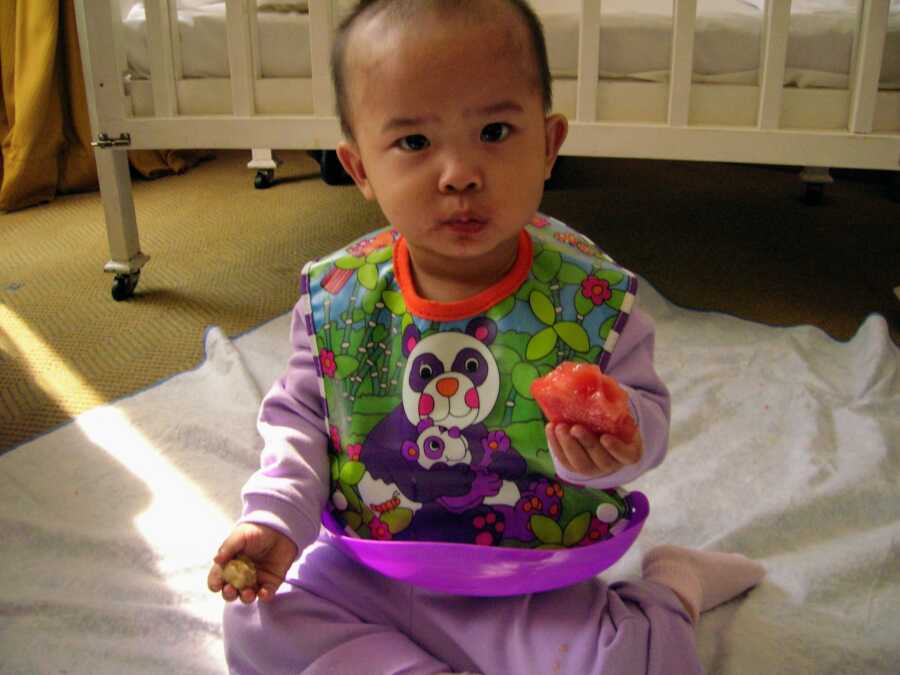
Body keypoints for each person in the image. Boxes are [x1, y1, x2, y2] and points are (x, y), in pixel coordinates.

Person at [208, 1, 765, 673]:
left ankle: (672, 588)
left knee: (638, 663)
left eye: (495, 130)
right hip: (372, 567)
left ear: (550, 145)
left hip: (529, 575)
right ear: (360, 170)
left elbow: (646, 411)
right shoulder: (342, 300)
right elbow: (300, 421)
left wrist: (620, 442)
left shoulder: (585, 299)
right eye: (414, 143)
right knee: (254, 619)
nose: (459, 174)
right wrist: (273, 519)